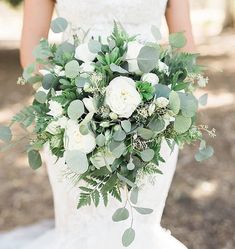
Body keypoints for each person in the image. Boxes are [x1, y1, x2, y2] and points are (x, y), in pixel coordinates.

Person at [1, 0, 195, 248]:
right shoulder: (69, 116)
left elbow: (185, 45)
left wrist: (160, 109)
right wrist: (66, 105)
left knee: (139, 228)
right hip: (73, 124)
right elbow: (32, 49)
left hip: (152, 121)